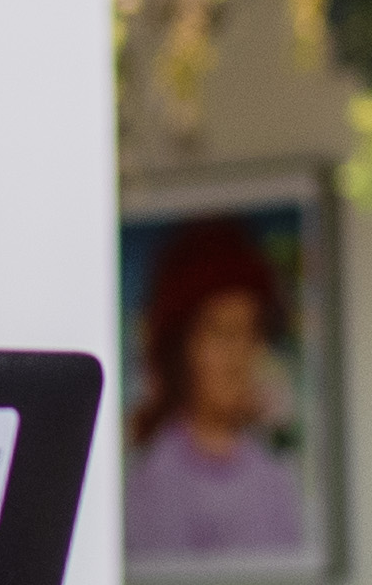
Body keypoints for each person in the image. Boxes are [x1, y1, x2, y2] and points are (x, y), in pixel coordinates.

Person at [125, 224, 313, 564]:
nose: (238, 357)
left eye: (250, 334)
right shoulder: (151, 481)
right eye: (222, 333)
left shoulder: (276, 478)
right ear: (181, 348)